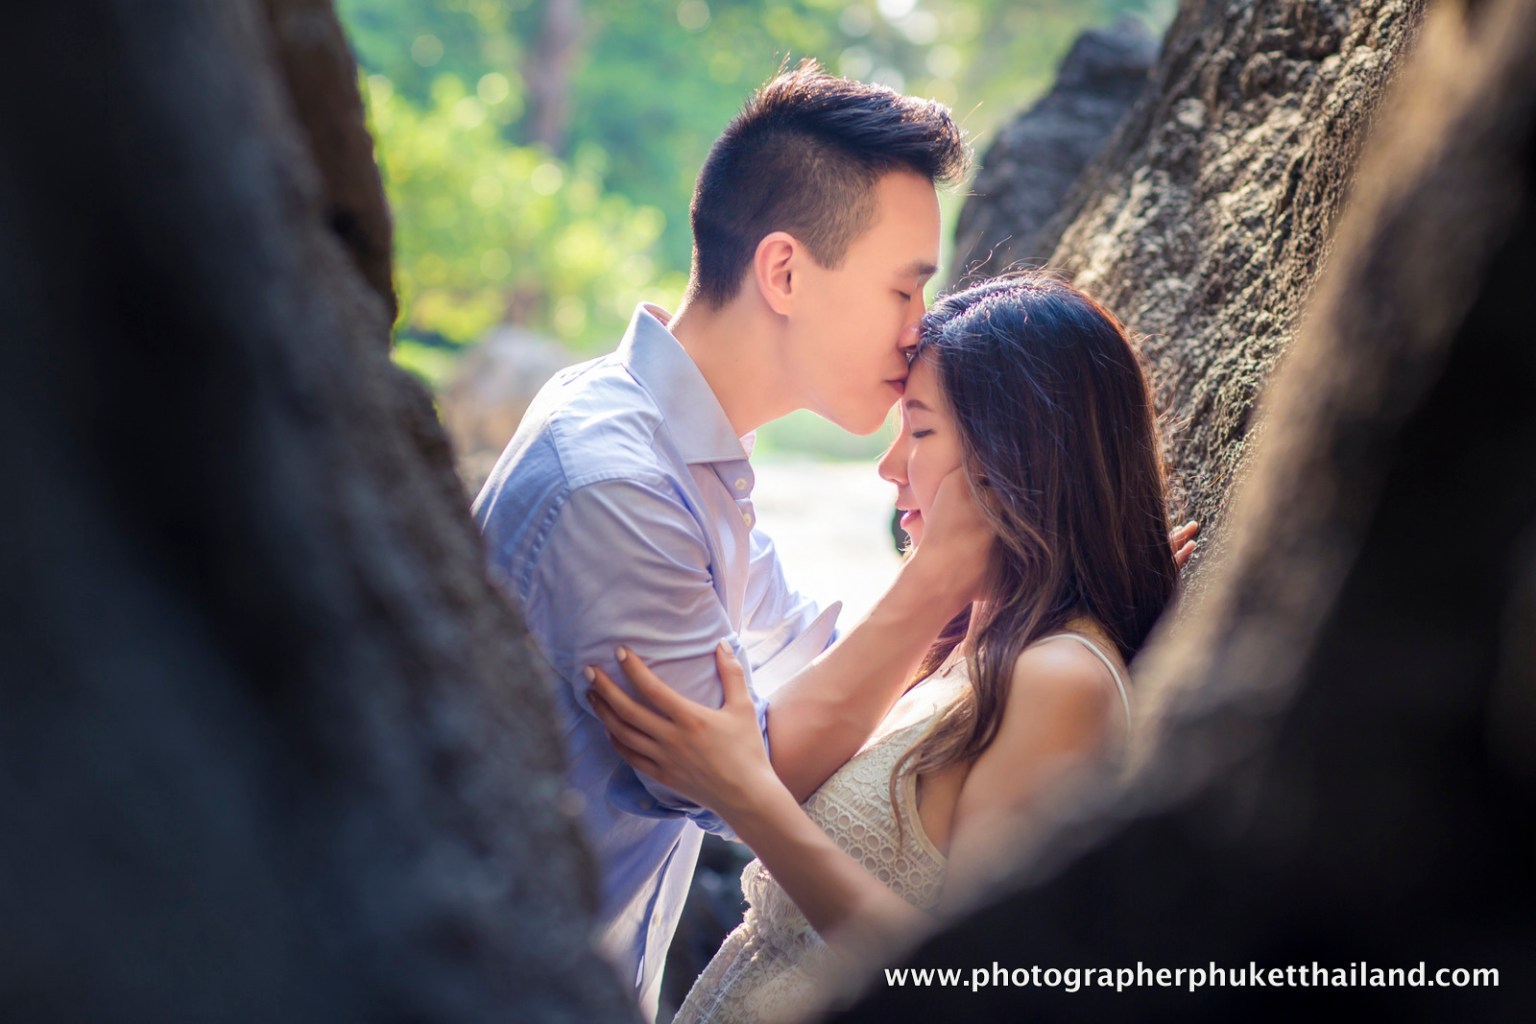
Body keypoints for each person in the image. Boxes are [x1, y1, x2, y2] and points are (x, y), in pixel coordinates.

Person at [473, 61, 989, 1020]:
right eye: (903, 291)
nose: (919, 334)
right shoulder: (617, 486)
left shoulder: (687, 447)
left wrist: (1051, 588)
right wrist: (942, 575)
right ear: (785, 271)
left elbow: (812, 668)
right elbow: (760, 773)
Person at [586, 273, 1191, 1022]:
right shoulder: (969, 646)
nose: (889, 463)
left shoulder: (1060, 680)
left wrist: (746, 797)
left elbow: (981, 988)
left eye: (923, 431)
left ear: (1018, 462)